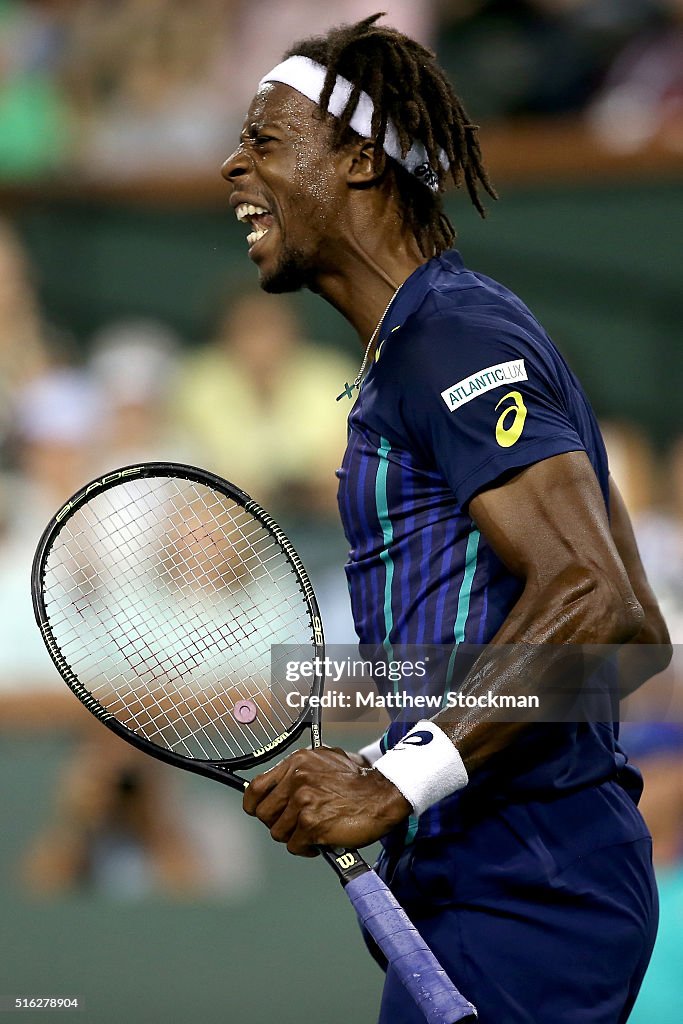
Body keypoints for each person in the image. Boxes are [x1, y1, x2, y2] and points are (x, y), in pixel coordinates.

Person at [220, 14, 671, 1023]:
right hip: (510, 876)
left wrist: (393, 779)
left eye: (261, 140)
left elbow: (592, 598)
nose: (228, 166)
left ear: (358, 163)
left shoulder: (451, 337)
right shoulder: (431, 341)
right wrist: (398, 750)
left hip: (527, 880)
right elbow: (634, 638)